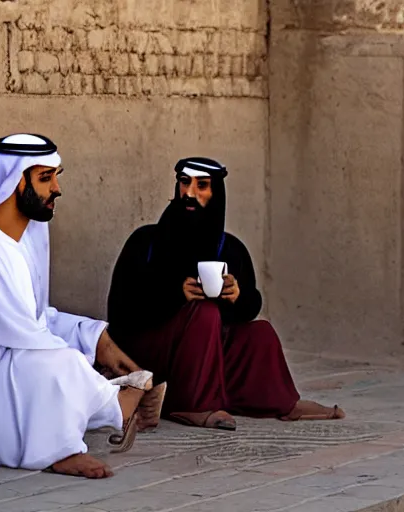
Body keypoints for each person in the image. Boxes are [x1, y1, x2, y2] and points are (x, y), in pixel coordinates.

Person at [0, 134, 166, 479]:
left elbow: (37, 318)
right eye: (45, 178)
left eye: (57, 176)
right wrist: (98, 383)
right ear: (14, 181)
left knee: (63, 359)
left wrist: (97, 341)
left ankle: (116, 404)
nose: (57, 189)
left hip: (0, 381)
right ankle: (108, 413)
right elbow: (27, 336)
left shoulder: (21, 242)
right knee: (57, 363)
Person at [106, 157, 343, 430]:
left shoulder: (230, 248)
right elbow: (122, 312)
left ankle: (280, 401)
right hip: (150, 359)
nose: (190, 193)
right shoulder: (146, 242)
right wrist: (174, 295)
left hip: (203, 358)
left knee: (259, 333)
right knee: (204, 313)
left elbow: (248, 309)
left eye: (202, 185)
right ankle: (193, 405)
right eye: (184, 183)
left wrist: (237, 297)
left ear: (216, 192)